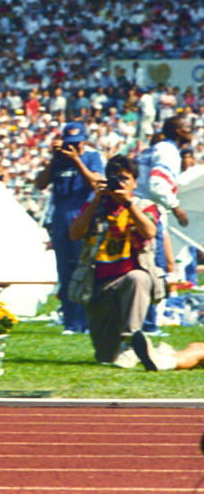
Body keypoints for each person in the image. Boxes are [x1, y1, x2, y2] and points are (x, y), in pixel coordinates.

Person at [69, 154, 163, 369]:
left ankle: (131, 342)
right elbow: (74, 234)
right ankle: (145, 349)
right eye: (114, 178)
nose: (119, 183)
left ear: (134, 182)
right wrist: (95, 201)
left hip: (129, 277)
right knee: (105, 356)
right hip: (99, 282)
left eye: (124, 179)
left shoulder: (143, 205)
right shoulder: (96, 205)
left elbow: (149, 231)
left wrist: (128, 203)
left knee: (138, 278)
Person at [34, 121, 105, 334]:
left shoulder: (92, 157)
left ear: (84, 140)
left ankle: (83, 320)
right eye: (68, 143)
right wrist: (53, 160)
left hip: (82, 214)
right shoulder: (58, 161)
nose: (72, 147)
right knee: (64, 269)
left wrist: (77, 161)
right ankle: (70, 320)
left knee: (82, 268)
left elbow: (95, 183)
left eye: (76, 143)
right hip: (60, 216)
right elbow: (40, 184)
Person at [136, 116, 192, 333]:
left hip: (139, 207)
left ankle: (141, 320)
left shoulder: (154, 149)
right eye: (187, 128)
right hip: (149, 210)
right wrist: (176, 207)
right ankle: (148, 324)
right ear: (177, 131)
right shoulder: (168, 151)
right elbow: (157, 184)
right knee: (154, 266)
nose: (191, 131)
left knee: (144, 265)